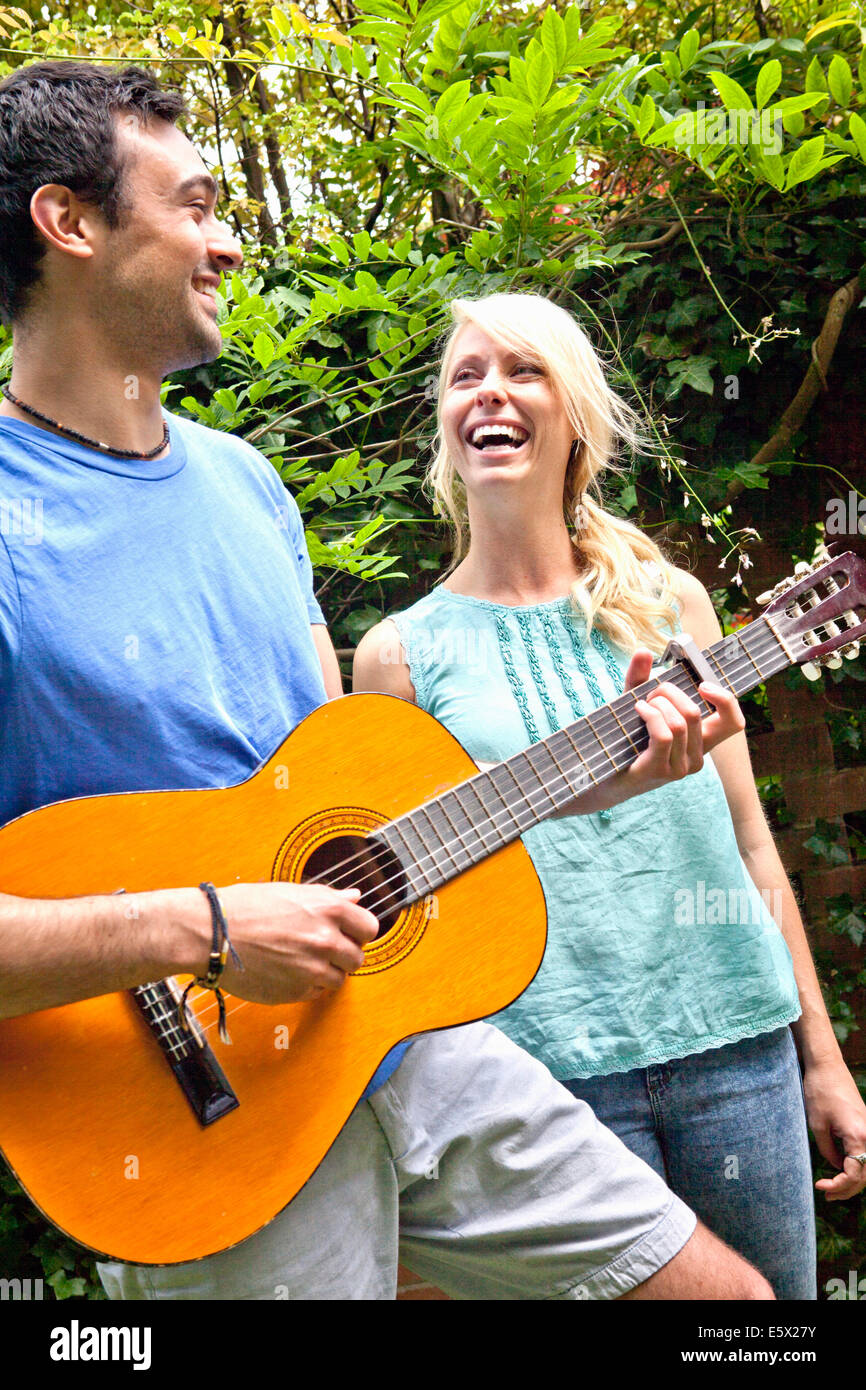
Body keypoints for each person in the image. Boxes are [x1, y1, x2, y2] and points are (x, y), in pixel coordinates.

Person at [0, 61, 772, 1301]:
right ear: (72, 222)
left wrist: (601, 771)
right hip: (202, 1119)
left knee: (731, 1306)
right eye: (196, 204)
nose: (227, 242)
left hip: (392, 1039)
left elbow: (352, 819)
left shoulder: (248, 486)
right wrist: (201, 928)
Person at [354, 292, 866, 1301]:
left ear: (574, 418)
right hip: (549, 1074)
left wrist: (823, 1057)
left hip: (733, 1044)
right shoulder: (398, 656)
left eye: (523, 370)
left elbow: (753, 849)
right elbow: (415, 905)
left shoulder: (667, 603)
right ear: (446, 430)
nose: (489, 392)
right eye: (466, 375)